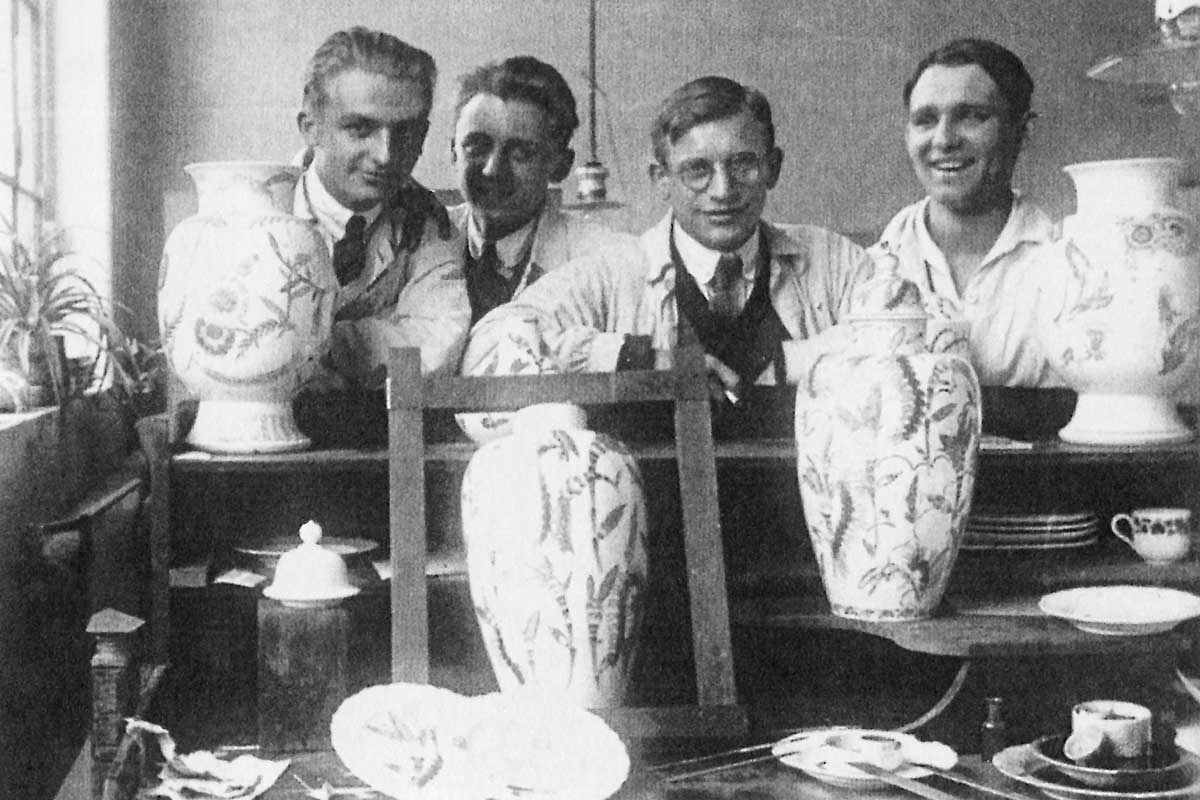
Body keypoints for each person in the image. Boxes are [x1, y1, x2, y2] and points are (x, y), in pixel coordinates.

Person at [461, 75, 870, 403]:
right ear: (661, 179)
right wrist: (639, 360)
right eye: (697, 171)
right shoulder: (615, 272)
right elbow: (489, 347)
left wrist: (785, 362)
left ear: (773, 168)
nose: (723, 191)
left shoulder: (831, 262)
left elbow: (899, 331)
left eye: (743, 164)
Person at [875, 37, 1062, 387]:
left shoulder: (1065, 264)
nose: (944, 139)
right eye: (926, 120)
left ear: (1023, 131)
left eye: (971, 117)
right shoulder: (870, 269)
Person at [294, 26, 468, 389]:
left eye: (404, 133)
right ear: (311, 128)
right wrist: (388, 328)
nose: (386, 155)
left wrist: (317, 343)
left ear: (422, 136)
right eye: (360, 129)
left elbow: (438, 344)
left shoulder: (429, 225)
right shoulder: (256, 218)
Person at [448, 55, 629, 326]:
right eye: (477, 147)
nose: (492, 170)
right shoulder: (417, 243)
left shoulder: (606, 260)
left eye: (520, 154)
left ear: (560, 165)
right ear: (453, 152)